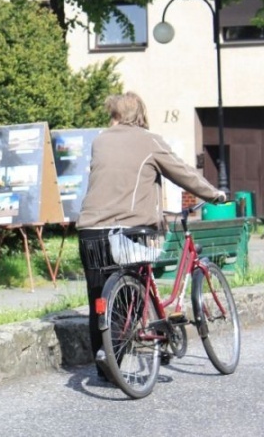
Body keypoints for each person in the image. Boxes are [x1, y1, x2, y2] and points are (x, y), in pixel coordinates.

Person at [76, 92, 226, 379]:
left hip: (90, 231)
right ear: (139, 115)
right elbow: (182, 172)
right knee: (131, 291)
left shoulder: (99, 140)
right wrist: (213, 193)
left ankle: (106, 363)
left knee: (99, 297)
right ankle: (128, 349)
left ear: (115, 115)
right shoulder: (150, 140)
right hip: (130, 231)